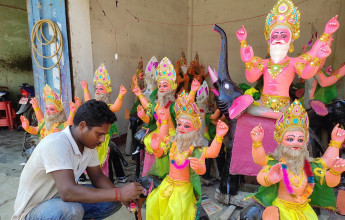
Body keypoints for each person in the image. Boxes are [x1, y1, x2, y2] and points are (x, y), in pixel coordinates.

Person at [13, 100, 143, 220]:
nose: (102, 140)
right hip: (33, 211)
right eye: (99, 134)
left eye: (105, 134)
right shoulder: (56, 143)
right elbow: (68, 192)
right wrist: (119, 194)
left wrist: (121, 197)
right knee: (72, 211)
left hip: (59, 202)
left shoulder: (88, 145)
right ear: (82, 126)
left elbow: (97, 176)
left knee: (111, 201)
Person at [236, 0, 339, 119]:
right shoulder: (264, 63)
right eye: (274, 36)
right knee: (250, 108)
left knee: (292, 115)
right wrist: (245, 53)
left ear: (291, 40)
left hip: (283, 107)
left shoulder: (293, 63)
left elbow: (307, 70)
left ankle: (276, 114)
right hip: (262, 104)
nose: (278, 38)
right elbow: (251, 77)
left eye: (283, 35)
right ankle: (273, 114)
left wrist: (326, 34)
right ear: (269, 41)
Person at [247, 100, 345, 219]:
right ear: (280, 140)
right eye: (290, 139)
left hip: (305, 210)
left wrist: (335, 146)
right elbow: (260, 163)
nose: (296, 143)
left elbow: (328, 171)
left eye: (300, 140)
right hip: (282, 209)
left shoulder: (309, 165)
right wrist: (257, 143)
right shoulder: (277, 164)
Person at [145, 92, 229, 219]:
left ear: (195, 129)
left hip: (183, 188)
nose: (181, 128)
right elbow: (161, 152)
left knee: (177, 211)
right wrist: (156, 147)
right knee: (152, 202)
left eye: (186, 126)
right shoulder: (173, 143)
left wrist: (219, 136)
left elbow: (211, 153)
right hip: (167, 183)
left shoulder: (195, 150)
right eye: (179, 124)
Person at [132, 57, 201, 176]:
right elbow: (149, 118)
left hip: (172, 134)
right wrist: (142, 115)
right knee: (150, 140)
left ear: (172, 87)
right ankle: (151, 176)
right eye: (160, 86)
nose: (162, 89)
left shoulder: (173, 106)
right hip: (158, 133)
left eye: (165, 85)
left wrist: (193, 91)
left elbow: (186, 104)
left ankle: (168, 176)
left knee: (167, 145)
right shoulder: (156, 105)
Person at [81, 63, 128, 182]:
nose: (98, 91)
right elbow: (87, 100)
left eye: (101, 89)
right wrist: (85, 89)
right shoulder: (93, 105)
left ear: (107, 92)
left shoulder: (107, 107)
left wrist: (121, 95)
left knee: (105, 154)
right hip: (92, 137)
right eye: (96, 88)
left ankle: (107, 177)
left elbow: (116, 107)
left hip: (103, 139)